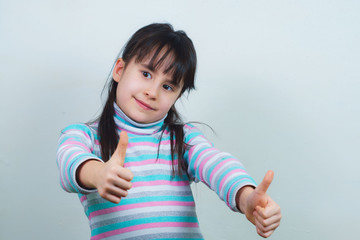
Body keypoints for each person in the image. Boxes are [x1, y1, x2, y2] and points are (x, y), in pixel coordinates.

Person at [56, 23, 281, 240]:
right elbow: (69, 162)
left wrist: (246, 196)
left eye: (167, 87)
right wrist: (98, 174)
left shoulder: (182, 139)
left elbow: (216, 164)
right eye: (146, 74)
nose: (152, 92)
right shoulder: (83, 136)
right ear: (120, 70)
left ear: (177, 96)